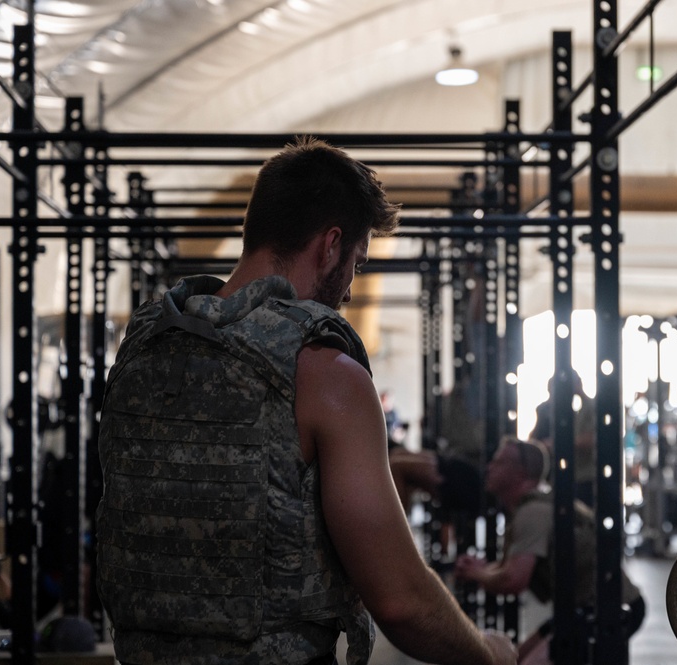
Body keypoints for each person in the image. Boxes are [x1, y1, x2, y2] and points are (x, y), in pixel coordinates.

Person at [95, 137, 516, 665]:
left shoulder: (142, 346)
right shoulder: (323, 371)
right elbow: (401, 601)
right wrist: (489, 654)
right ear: (331, 245)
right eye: (357, 263)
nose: (347, 291)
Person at [455, 437, 645, 664]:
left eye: (499, 462)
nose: (489, 467)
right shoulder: (531, 507)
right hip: (579, 609)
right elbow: (510, 567)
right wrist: (484, 569)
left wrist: (477, 573)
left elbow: (513, 580)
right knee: (514, 659)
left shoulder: (533, 513)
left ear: (520, 472)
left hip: (611, 609)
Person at [389, 378, 484, 517]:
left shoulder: (475, 396)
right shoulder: (461, 395)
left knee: (396, 465)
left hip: (465, 468)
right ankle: (399, 524)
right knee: (396, 455)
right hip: (454, 458)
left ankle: (395, 532)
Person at [529, 373, 597, 507]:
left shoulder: (588, 408)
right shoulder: (546, 410)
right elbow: (534, 439)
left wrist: (558, 443)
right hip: (555, 478)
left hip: (583, 477)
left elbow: (590, 440)